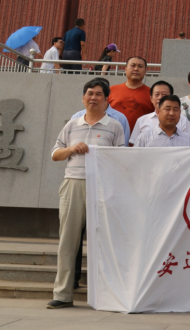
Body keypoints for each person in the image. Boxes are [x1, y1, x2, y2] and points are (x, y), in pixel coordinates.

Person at [46, 79, 124, 309]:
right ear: (83, 98)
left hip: (103, 187)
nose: (93, 97)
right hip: (73, 184)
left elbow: (122, 159)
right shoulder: (72, 125)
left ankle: (108, 295)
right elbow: (55, 154)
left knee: (105, 242)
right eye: (90, 93)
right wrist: (72, 148)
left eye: (99, 94)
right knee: (68, 241)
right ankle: (63, 294)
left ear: (107, 100)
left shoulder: (115, 126)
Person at [129, 81, 190, 146]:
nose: (160, 98)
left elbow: (188, 145)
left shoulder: (183, 120)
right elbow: (136, 147)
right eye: (157, 94)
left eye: (164, 95)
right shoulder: (141, 121)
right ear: (151, 98)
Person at [108, 57, 154, 133]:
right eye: (133, 65)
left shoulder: (152, 93)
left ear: (145, 71)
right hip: (113, 136)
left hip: (141, 137)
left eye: (140, 66)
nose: (136, 69)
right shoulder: (111, 90)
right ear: (125, 69)